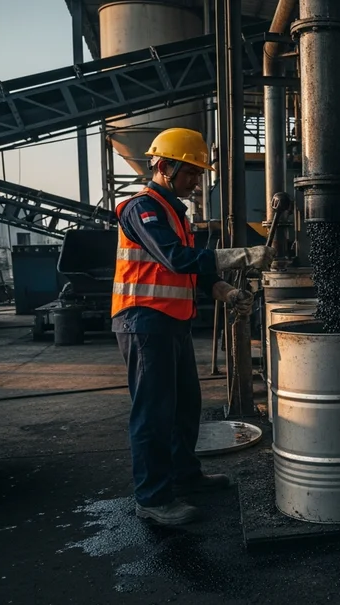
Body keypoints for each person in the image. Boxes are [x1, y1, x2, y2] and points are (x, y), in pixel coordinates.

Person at [112, 127, 275, 526]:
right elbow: (174, 258)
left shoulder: (175, 213)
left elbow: (189, 268)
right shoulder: (142, 208)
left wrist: (220, 289)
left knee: (186, 405)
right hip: (143, 320)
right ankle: (152, 497)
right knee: (153, 412)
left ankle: (185, 475)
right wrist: (240, 256)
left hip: (172, 321)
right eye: (191, 173)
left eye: (200, 174)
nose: (197, 181)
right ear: (164, 167)